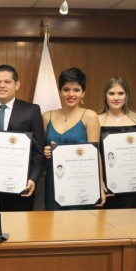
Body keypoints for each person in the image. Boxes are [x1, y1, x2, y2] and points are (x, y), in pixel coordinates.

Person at [0, 64, 44, 211]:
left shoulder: (31, 111)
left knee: (19, 231)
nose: (2, 86)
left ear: (17, 85)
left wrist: (33, 178)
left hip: (21, 187)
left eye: (7, 82)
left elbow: (38, 151)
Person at [42, 67, 104, 210]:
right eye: (66, 89)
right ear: (59, 91)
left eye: (76, 90)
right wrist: (45, 152)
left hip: (82, 183)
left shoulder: (90, 116)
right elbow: (40, 152)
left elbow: (96, 154)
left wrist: (100, 186)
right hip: (54, 182)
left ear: (83, 93)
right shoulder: (46, 116)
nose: (71, 94)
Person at [98, 77, 136, 208]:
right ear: (105, 96)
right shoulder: (97, 120)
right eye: (111, 93)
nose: (116, 98)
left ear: (126, 96)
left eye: (120, 93)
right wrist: (100, 183)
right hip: (108, 188)